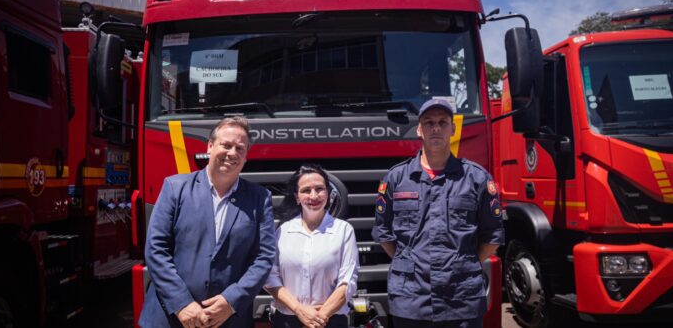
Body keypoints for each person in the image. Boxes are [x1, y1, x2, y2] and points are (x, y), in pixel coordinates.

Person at [372, 98, 504, 328]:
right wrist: (410, 260)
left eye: (443, 122)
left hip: (462, 297)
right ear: (419, 130)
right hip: (411, 298)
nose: (436, 128)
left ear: (453, 129)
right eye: (429, 122)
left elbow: (492, 236)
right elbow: (383, 232)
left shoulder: (476, 178)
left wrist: (461, 264)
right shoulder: (397, 178)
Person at [139, 116, 276, 328]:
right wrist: (182, 303)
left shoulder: (260, 198)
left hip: (228, 319)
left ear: (246, 156)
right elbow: (156, 250)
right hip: (170, 318)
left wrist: (231, 301)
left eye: (240, 148)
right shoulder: (175, 188)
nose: (232, 153)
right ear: (210, 147)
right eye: (226, 145)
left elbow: (264, 257)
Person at [265, 164, 359, 328]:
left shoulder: (344, 230)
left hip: (330, 321)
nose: (314, 196)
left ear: (328, 193)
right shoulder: (282, 231)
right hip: (288, 320)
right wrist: (300, 310)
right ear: (297, 197)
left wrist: (318, 319)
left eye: (319, 189)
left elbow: (348, 282)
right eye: (306, 190)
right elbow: (271, 278)